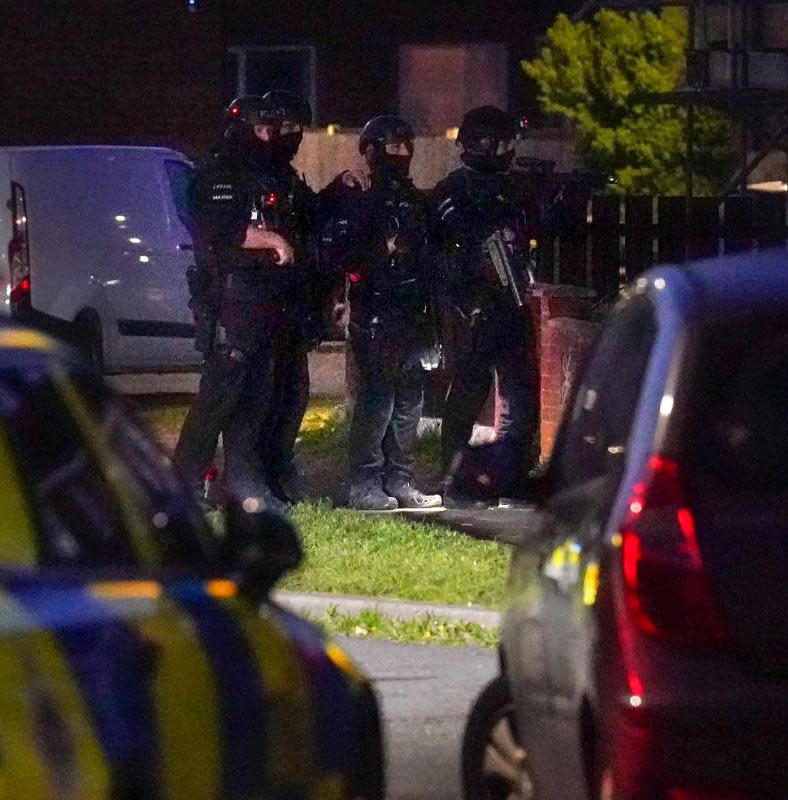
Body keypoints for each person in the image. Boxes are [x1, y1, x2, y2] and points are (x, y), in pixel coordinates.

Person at [172, 91, 319, 512]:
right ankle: (183, 485)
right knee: (219, 397)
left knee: (256, 398)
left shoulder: (271, 174)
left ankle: (245, 484)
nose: (270, 136)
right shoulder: (219, 173)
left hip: (266, 302)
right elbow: (222, 230)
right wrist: (271, 240)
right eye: (262, 129)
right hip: (231, 301)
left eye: (272, 129)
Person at [321, 115, 443, 511]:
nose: (402, 154)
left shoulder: (414, 200)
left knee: (410, 399)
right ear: (372, 150)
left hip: (413, 311)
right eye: (393, 147)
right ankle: (364, 482)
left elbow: (430, 256)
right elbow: (346, 257)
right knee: (380, 399)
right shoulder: (361, 200)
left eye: (407, 147)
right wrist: (387, 246)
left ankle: (400, 477)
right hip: (376, 312)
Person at [431, 105, 539, 502]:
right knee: (468, 393)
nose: (511, 151)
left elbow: (531, 228)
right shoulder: (453, 190)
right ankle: (456, 477)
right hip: (472, 307)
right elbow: (457, 235)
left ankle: (509, 475)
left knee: (518, 397)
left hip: (511, 304)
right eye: (505, 143)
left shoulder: (514, 189)